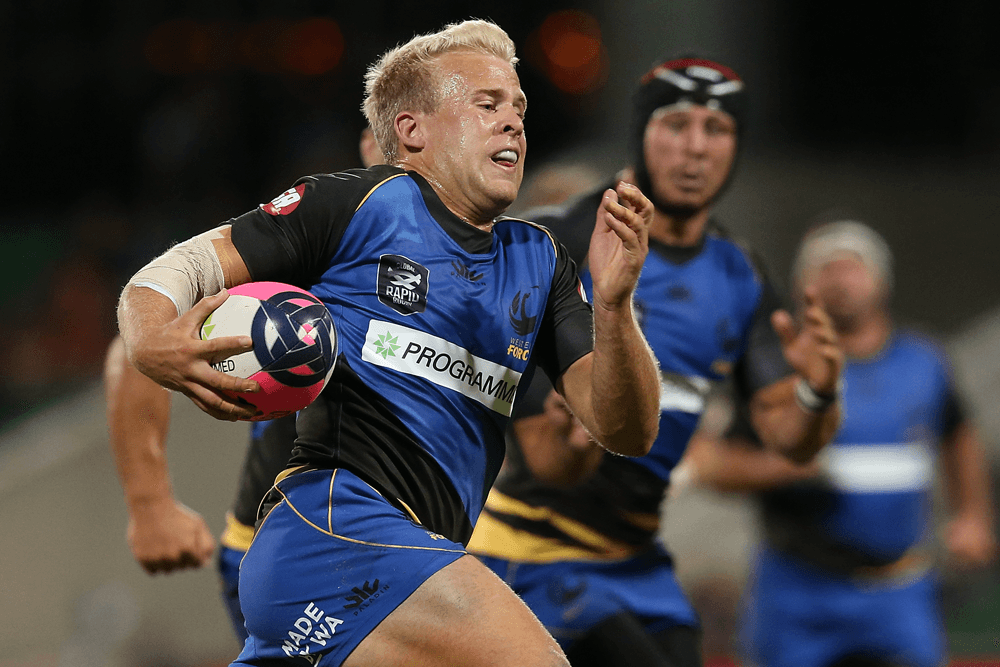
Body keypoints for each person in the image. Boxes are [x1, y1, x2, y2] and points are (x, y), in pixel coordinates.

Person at [116, 19, 662, 667]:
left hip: (408, 560)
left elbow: (626, 429)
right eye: (487, 104)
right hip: (334, 532)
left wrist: (614, 303)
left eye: (518, 107)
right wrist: (150, 341)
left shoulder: (538, 261)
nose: (513, 121)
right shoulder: (359, 203)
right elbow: (173, 274)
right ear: (411, 130)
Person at [466, 56, 844, 667]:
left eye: (717, 130)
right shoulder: (551, 239)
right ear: (640, 132)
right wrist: (591, 420)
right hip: (529, 551)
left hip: (635, 560)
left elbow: (792, 441)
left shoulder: (738, 273)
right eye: (676, 124)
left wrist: (818, 394)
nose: (695, 149)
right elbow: (551, 463)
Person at [105, 127, 384, 644]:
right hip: (290, 558)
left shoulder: (478, 273)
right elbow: (137, 344)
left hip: (411, 550)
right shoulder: (316, 252)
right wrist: (150, 503)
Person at [683, 219, 997, 667]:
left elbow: (959, 434)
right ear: (800, 287)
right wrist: (790, 462)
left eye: (854, 267)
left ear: (882, 280)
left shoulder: (924, 361)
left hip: (899, 587)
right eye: (826, 269)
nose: (841, 280)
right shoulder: (773, 368)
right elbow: (712, 464)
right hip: (799, 591)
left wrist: (973, 515)